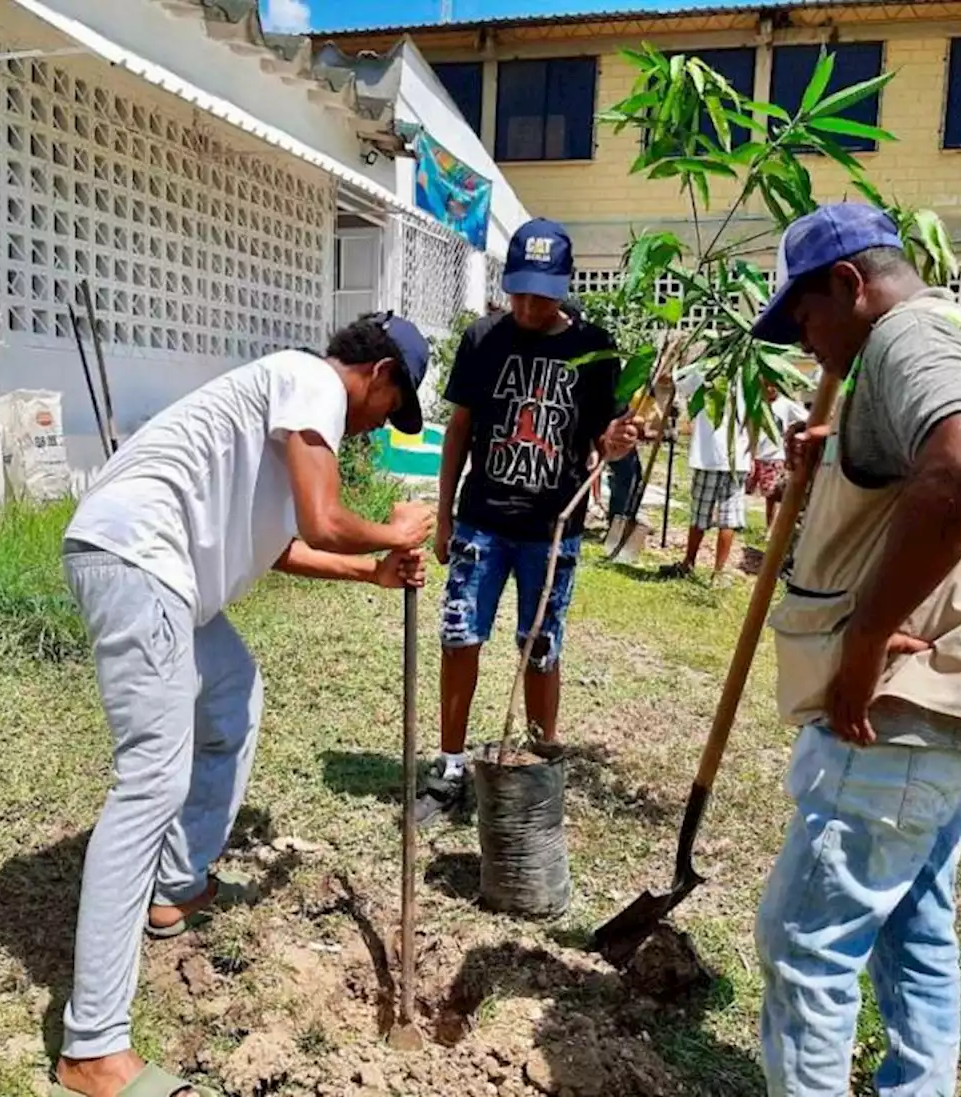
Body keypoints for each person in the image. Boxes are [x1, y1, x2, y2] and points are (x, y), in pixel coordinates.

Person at [52, 315, 436, 1097]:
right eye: (383, 411)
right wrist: (392, 530)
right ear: (380, 374)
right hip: (138, 558)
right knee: (149, 785)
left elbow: (287, 544)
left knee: (232, 691)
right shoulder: (311, 380)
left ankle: (176, 885)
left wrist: (371, 576)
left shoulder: (284, 413)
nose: (369, 429)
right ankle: (91, 1046)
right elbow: (328, 519)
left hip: (161, 573)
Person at [751, 203, 961, 1096]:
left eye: (804, 315)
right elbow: (933, 455)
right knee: (915, 928)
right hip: (957, 705)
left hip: (896, 710)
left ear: (849, 284)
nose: (804, 339)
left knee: (807, 942)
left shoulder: (905, 338)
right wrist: (848, 444)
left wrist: (866, 638)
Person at [416, 218, 639, 827]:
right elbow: (459, 429)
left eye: (541, 293)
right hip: (481, 522)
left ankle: (539, 762)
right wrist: (444, 518)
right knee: (460, 635)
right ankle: (451, 764)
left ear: (564, 286)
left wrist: (617, 442)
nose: (528, 305)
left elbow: (604, 439)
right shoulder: (484, 337)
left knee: (541, 647)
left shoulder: (595, 347)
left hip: (552, 531)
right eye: (518, 291)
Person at [662, 369, 750, 582]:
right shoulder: (749, 374)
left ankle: (689, 563)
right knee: (728, 517)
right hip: (738, 457)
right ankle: (718, 573)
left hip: (709, 455)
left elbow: (671, 381)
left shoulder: (705, 371)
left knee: (701, 514)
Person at [748, 381, 807, 531]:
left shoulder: (785, 404)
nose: (769, 388)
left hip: (774, 455)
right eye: (766, 385)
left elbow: (807, 417)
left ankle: (770, 527)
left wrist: (793, 430)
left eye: (772, 385)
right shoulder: (755, 402)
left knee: (772, 495)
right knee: (746, 489)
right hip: (753, 454)